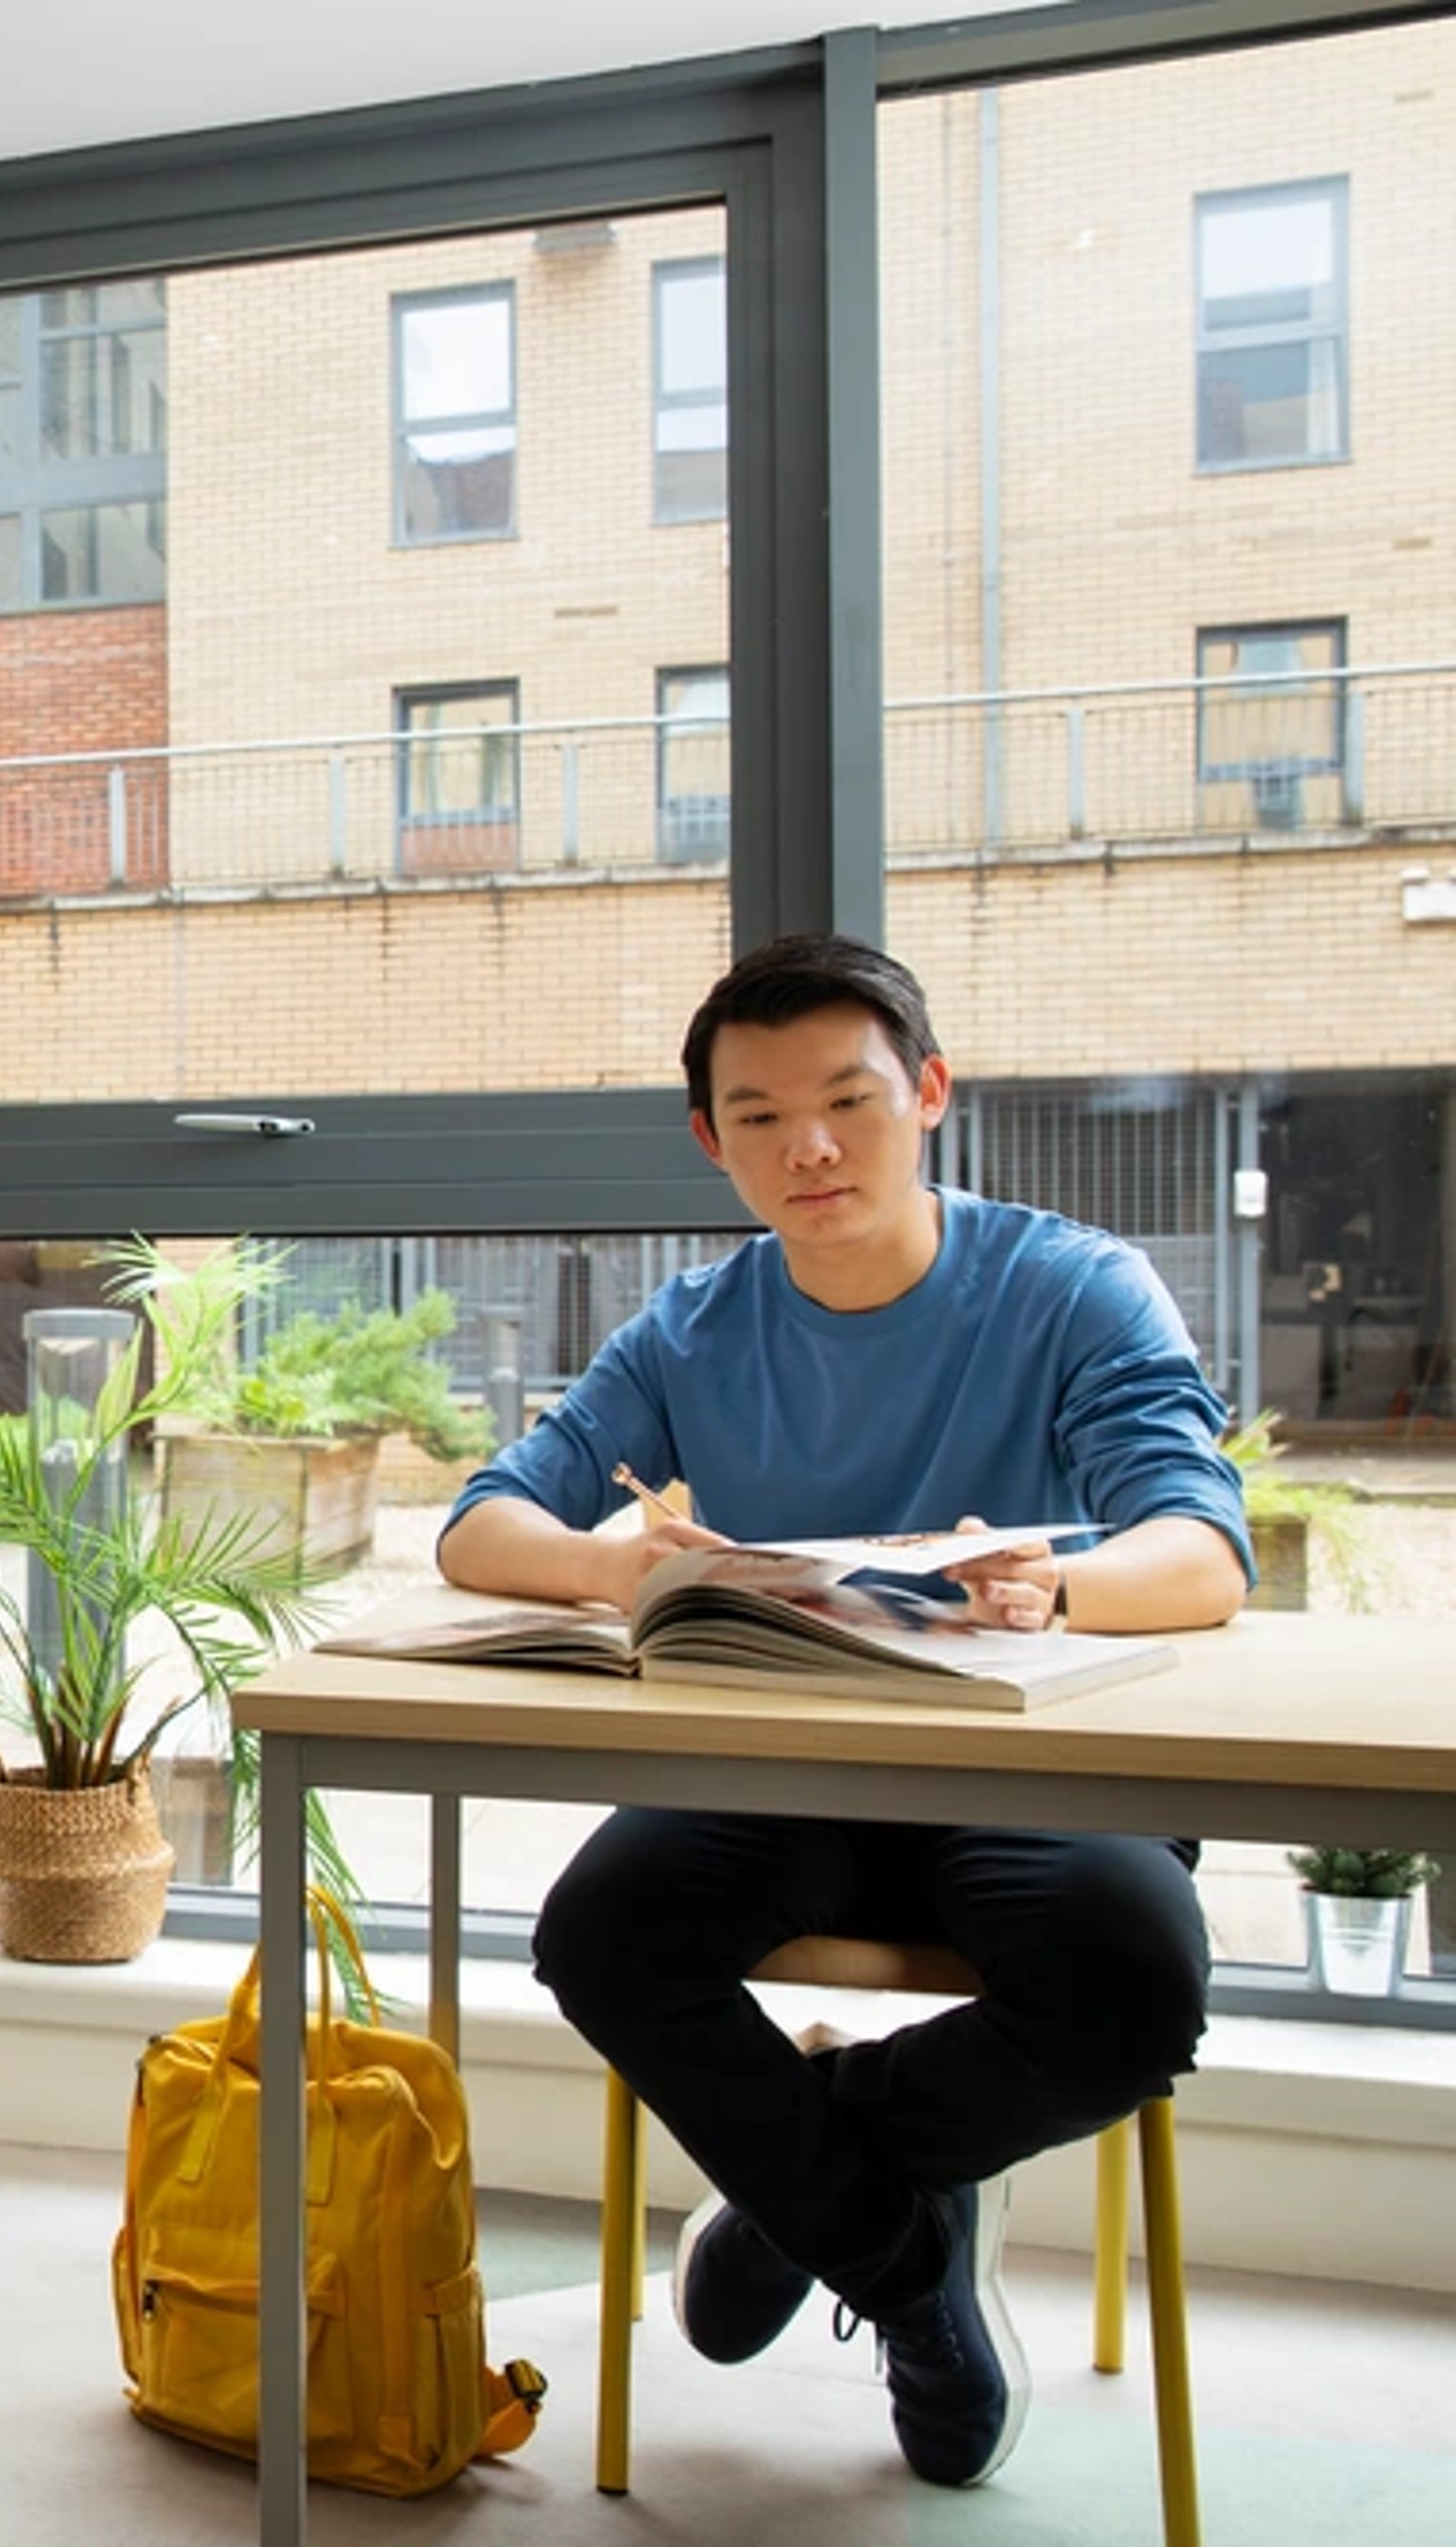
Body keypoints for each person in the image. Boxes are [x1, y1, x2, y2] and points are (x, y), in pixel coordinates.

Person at [439, 933, 1249, 2492]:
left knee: (1133, 1982)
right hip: (786, 1762)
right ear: (712, 1140)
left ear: (929, 1092)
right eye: (757, 1115)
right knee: (603, 1929)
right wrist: (613, 1569)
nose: (808, 1146)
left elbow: (1200, 1549)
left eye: (849, 1099)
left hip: (1024, 1758)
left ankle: (809, 2175)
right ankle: (909, 2265)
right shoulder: (692, 1324)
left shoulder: (1073, 1286)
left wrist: (1060, 1584)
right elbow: (481, 1526)